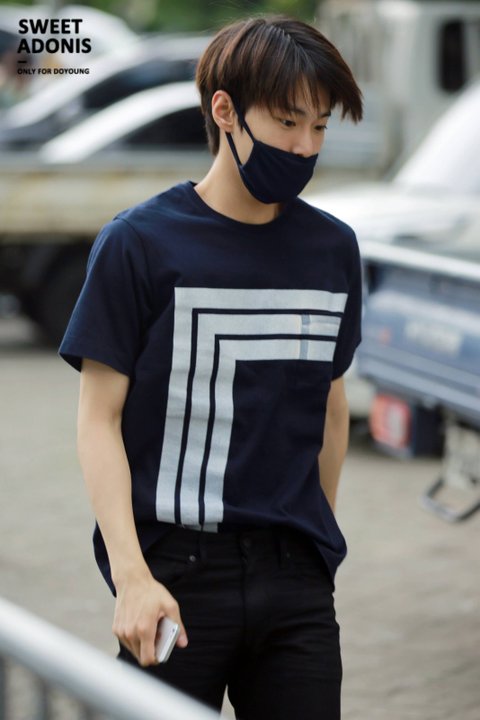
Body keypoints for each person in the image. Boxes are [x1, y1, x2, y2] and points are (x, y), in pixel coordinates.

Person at [60, 15, 363, 720]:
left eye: (320, 126)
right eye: (288, 121)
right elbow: (98, 421)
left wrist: (316, 551)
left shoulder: (332, 249)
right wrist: (133, 578)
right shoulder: (138, 244)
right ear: (225, 110)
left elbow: (331, 406)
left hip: (295, 584)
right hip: (176, 577)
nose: (305, 145)